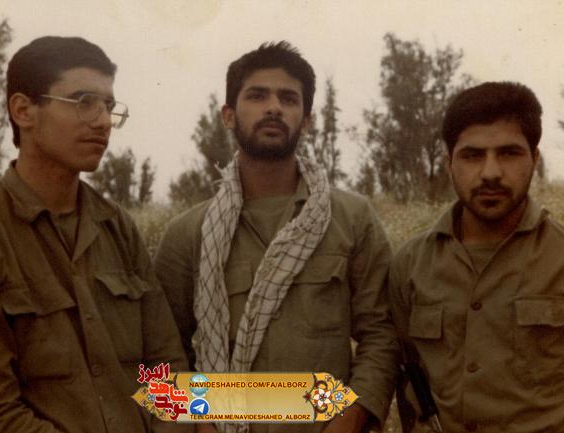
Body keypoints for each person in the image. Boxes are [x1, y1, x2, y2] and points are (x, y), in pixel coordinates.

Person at [0, 36, 189, 433]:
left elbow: (166, 368)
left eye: (109, 106)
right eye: (84, 101)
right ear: (23, 110)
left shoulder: (118, 228)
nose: (103, 121)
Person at [154, 41, 398, 433]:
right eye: (257, 96)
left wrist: (350, 418)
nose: (273, 108)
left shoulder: (351, 219)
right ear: (228, 115)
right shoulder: (189, 234)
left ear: (306, 120)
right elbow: (162, 351)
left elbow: (381, 333)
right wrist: (199, 424)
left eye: (288, 98)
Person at [389, 81, 563, 433]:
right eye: (472, 155)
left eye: (509, 153)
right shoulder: (409, 264)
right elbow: (396, 370)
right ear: (449, 163)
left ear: (535, 160)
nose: (490, 173)